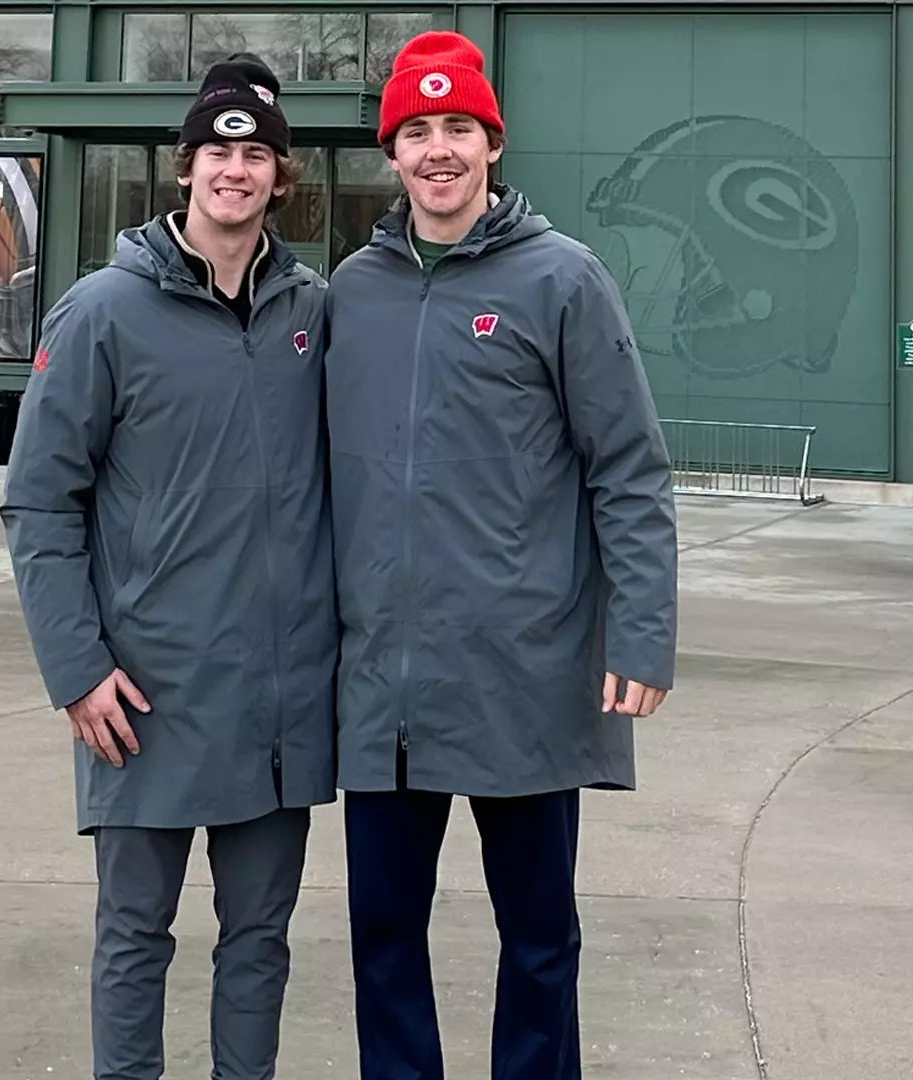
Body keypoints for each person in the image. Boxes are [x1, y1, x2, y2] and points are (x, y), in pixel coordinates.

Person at [322, 29, 679, 1080]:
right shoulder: (351, 290)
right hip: (380, 680)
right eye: (418, 131)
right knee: (383, 941)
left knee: (539, 940)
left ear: (493, 145)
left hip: (523, 670)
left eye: (459, 129)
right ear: (394, 154)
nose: (439, 150)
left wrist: (643, 634)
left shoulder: (562, 280)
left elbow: (630, 469)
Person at [0, 52, 336, 1080]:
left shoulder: (317, 315)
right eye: (214, 152)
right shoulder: (103, 310)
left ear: (280, 178)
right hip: (138, 692)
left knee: (260, 943)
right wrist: (75, 668)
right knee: (135, 936)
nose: (234, 170)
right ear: (184, 170)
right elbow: (39, 501)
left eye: (255, 154)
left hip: (279, 698)